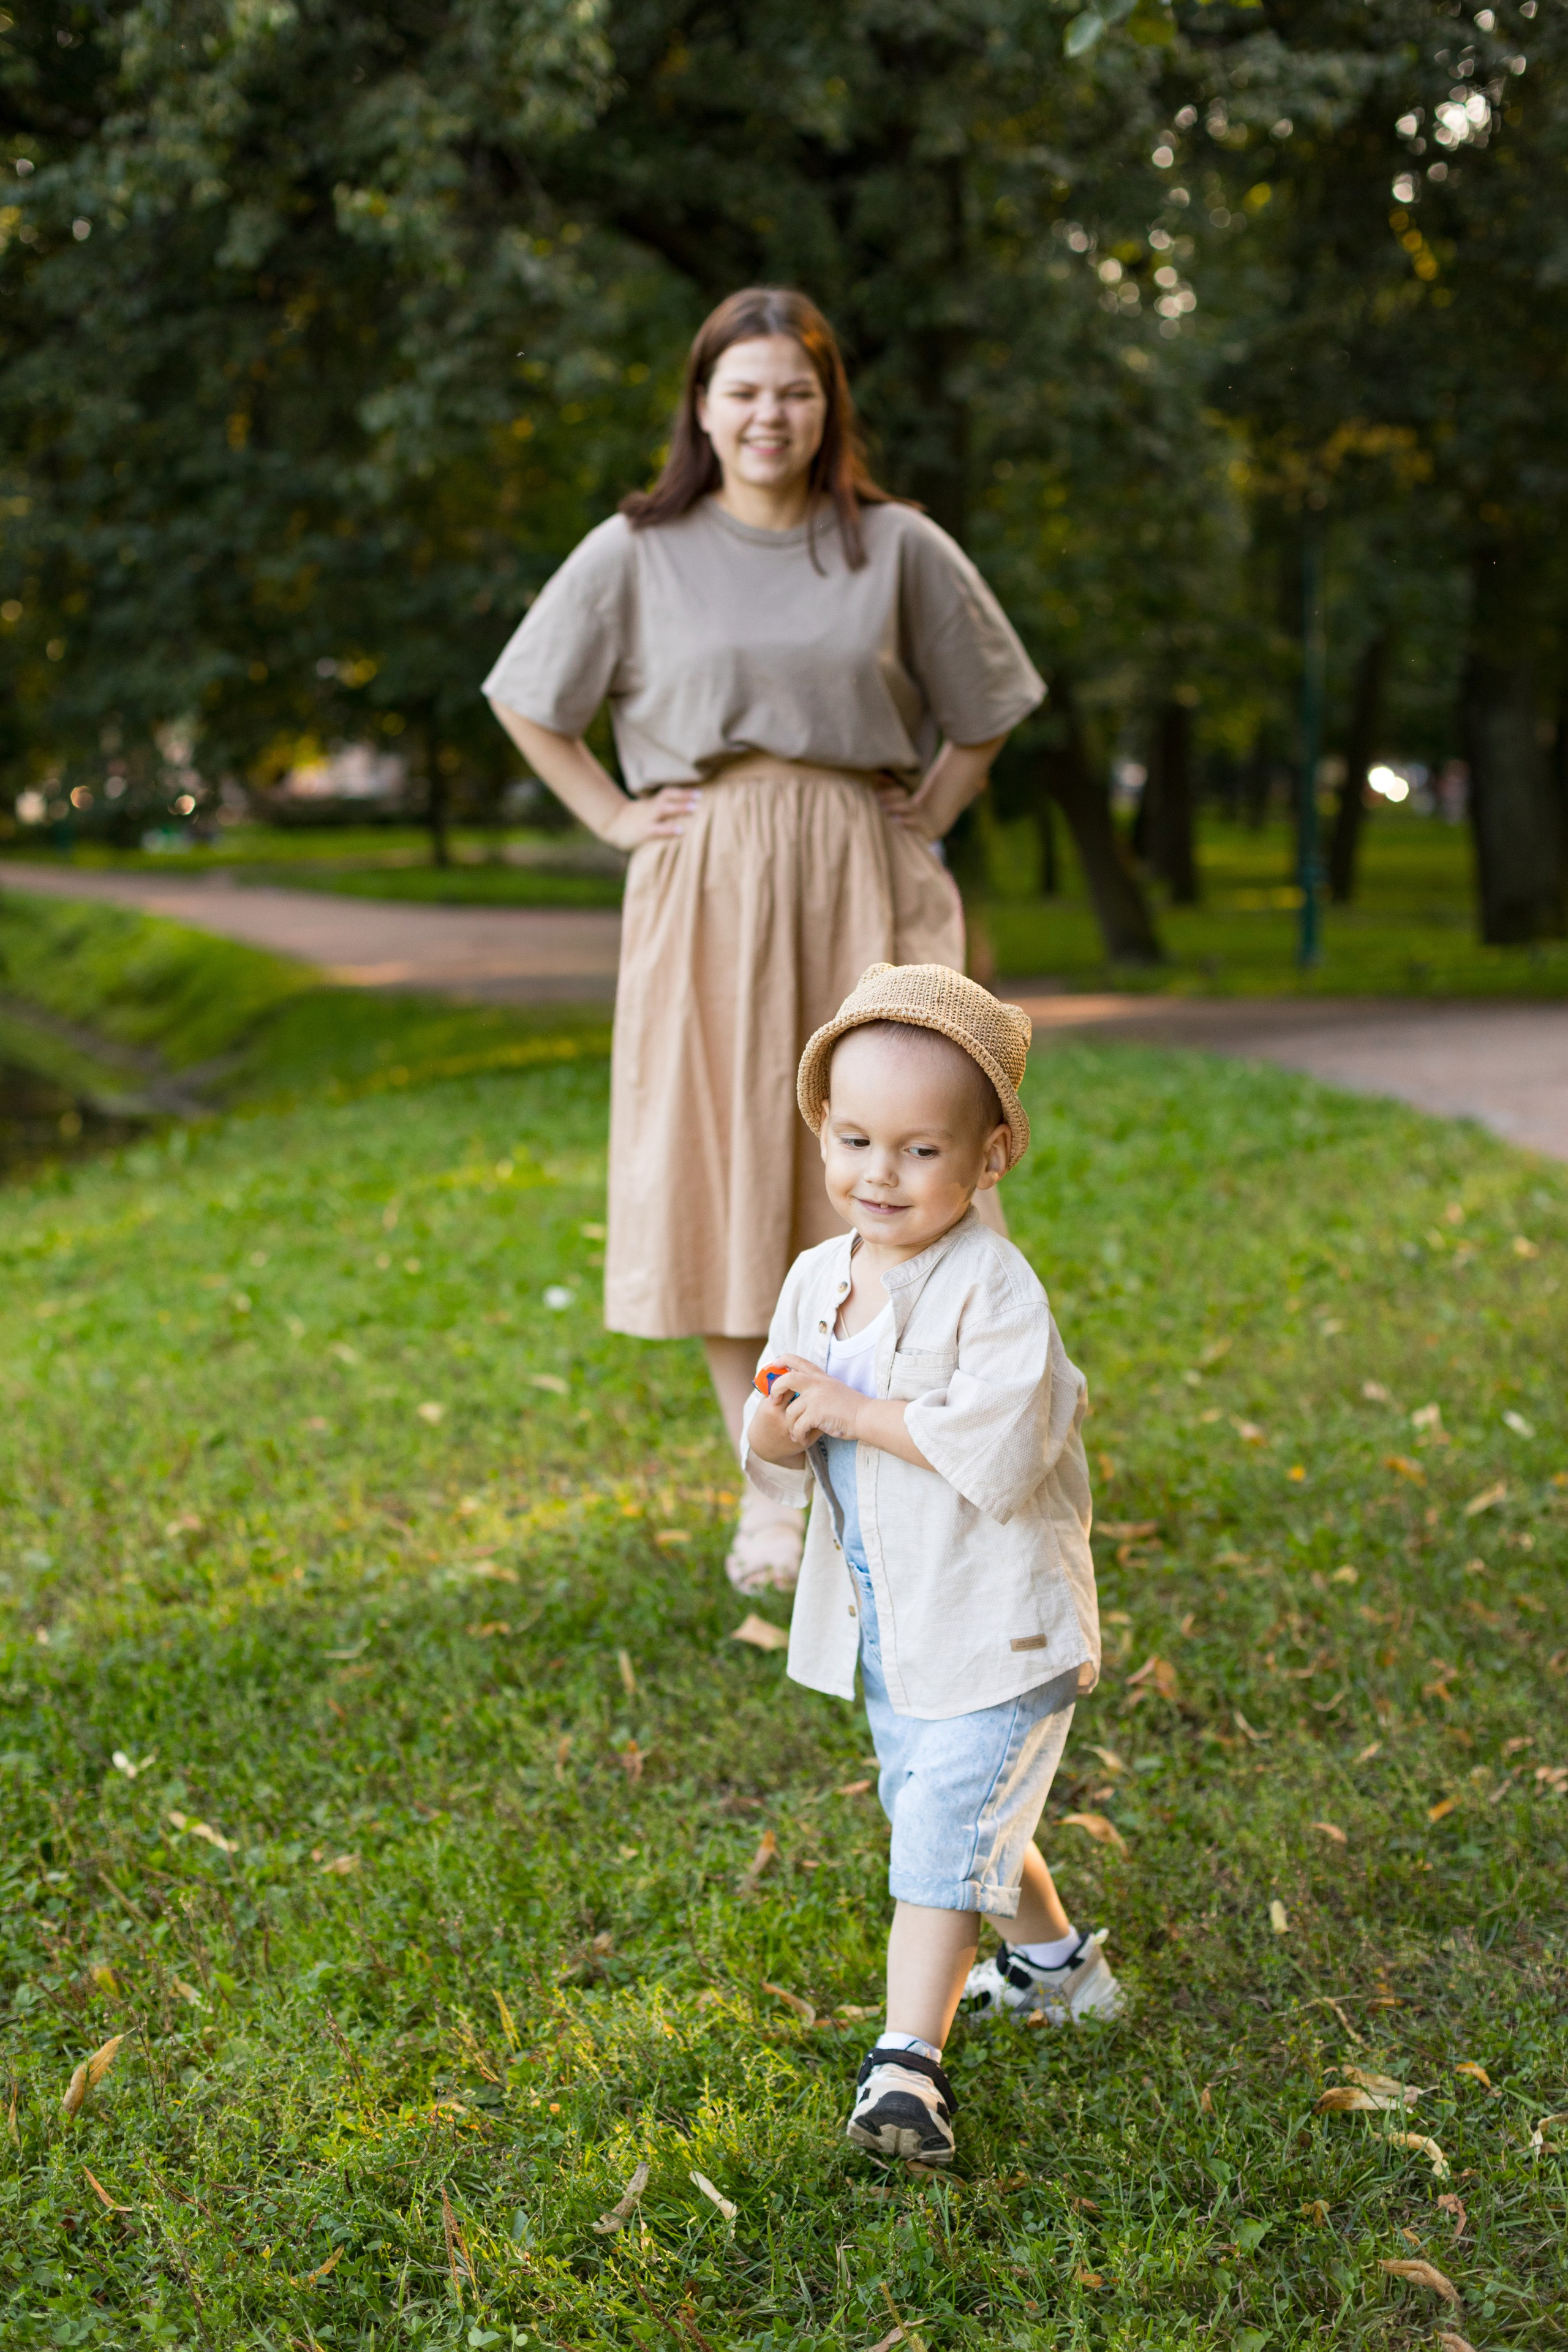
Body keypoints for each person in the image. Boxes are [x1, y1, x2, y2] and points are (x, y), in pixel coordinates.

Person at [481, 288, 1044, 1593]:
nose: (767, 415)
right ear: (699, 405)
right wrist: (618, 817)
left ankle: (913, 1463)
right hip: (710, 878)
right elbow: (529, 700)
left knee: (889, 1164)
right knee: (726, 1166)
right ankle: (773, 1492)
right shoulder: (636, 551)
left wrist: (935, 809)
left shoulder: (895, 545)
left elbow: (988, 701)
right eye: (740, 390)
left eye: (792, 390)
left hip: (862, 869)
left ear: (824, 404)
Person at [742, 962, 1121, 2166]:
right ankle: (1062, 1975)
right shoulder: (818, 1277)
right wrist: (779, 1417)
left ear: (987, 1157)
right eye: (852, 1140)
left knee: (937, 1838)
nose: (877, 1173)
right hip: (894, 1627)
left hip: (997, 1625)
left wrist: (849, 1412)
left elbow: (999, 1448)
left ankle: (906, 2064)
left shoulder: (992, 1288)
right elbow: (770, 1427)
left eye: (917, 1150)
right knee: (954, 1822)